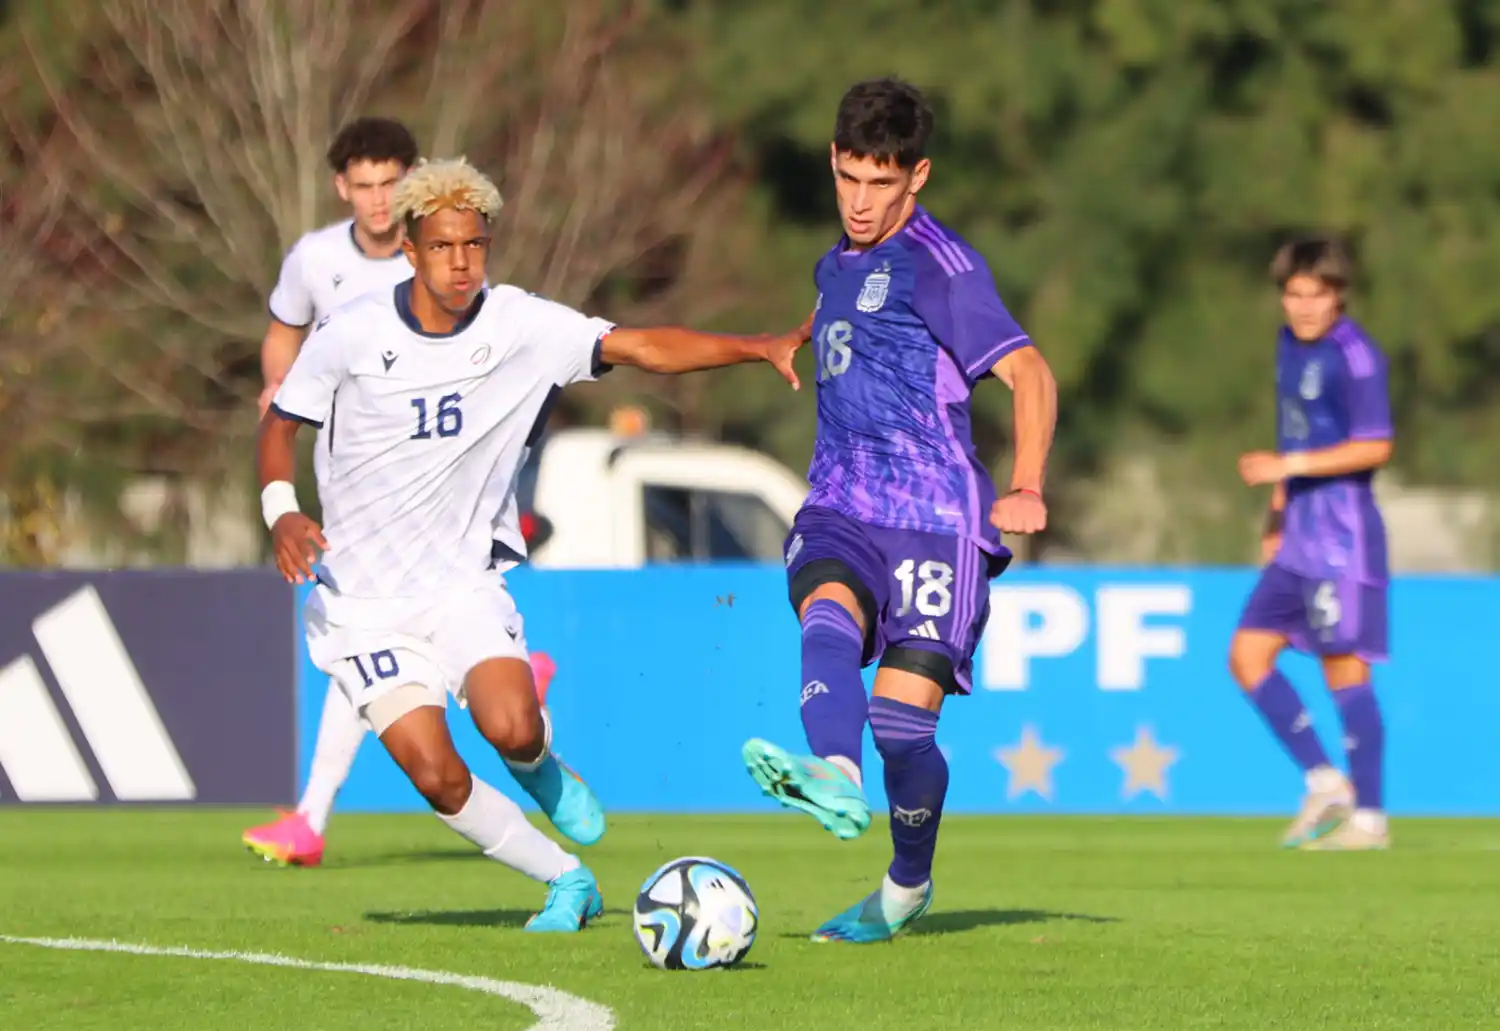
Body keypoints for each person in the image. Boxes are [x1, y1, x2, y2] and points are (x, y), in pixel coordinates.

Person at [259, 157, 807, 929]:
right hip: (361, 605)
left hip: (458, 584)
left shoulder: (522, 324)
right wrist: (282, 510)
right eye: (444, 247)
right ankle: (566, 879)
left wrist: (756, 347)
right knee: (436, 774)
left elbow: (643, 346)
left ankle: (541, 767)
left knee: (510, 725)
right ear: (410, 251)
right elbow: (280, 424)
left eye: (475, 246)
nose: (462, 263)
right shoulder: (351, 334)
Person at [739, 77, 1058, 943]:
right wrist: (792, 337)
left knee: (902, 726)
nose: (862, 202)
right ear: (834, 163)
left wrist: (1026, 483)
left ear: (917, 177)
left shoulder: (944, 266)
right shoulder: (835, 260)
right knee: (826, 606)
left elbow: (1030, 373)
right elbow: (843, 308)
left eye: (882, 184)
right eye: (849, 179)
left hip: (936, 516)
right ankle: (832, 771)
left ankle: (905, 886)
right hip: (843, 499)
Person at [243, 116, 423, 867]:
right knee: (364, 634)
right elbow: (284, 329)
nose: (380, 202)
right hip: (346, 475)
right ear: (340, 187)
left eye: (391, 184)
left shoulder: (435, 252)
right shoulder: (315, 259)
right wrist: (275, 387)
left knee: (361, 630)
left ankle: (311, 819)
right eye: (366, 186)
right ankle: (518, 682)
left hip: (423, 473)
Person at [1232, 237, 1393, 852]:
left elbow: (1377, 446)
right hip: (1298, 535)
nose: (1303, 307)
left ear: (1339, 296)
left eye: (1317, 295)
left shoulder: (1356, 357)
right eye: (1294, 294)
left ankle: (1371, 821)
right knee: (1247, 655)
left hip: (1343, 543)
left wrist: (1284, 467)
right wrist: (1276, 514)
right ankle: (1326, 781)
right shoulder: (1286, 347)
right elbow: (1290, 429)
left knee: (1344, 673)